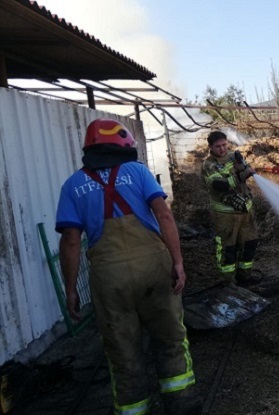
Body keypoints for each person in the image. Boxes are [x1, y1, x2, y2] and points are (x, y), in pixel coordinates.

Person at [55, 118, 200, 415]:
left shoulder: (72, 185)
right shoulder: (137, 172)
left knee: (122, 351)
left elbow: (70, 240)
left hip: (109, 278)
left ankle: (134, 410)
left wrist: (69, 290)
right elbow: (164, 215)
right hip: (153, 269)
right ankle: (182, 404)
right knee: (170, 337)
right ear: (124, 146)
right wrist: (178, 262)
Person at [201, 130, 259, 286]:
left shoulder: (233, 156)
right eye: (218, 146)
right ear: (211, 147)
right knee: (228, 248)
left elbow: (245, 169)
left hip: (245, 211)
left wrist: (243, 165)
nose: (222, 149)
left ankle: (244, 277)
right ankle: (228, 282)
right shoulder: (209, 165)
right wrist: (242, 175)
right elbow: (220, 185)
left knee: (249, 243)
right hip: (225, 215)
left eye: (224, 145)